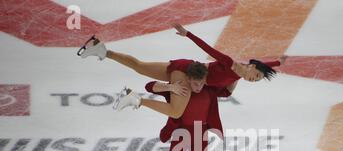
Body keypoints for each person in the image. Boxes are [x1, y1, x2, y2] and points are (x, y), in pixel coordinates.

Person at [77, 24, 287, 118]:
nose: (253, 79)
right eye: (256, 75)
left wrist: (278, 62)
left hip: (184, 66)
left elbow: (264, 65)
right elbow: (208, 49)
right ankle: (134, 98)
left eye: (257, 80)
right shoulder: (229, 64)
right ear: (252, 66)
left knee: (140, 66)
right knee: (176, 111)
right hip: (188, 75)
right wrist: (188, 34)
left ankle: (100, 48)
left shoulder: (237, 76)